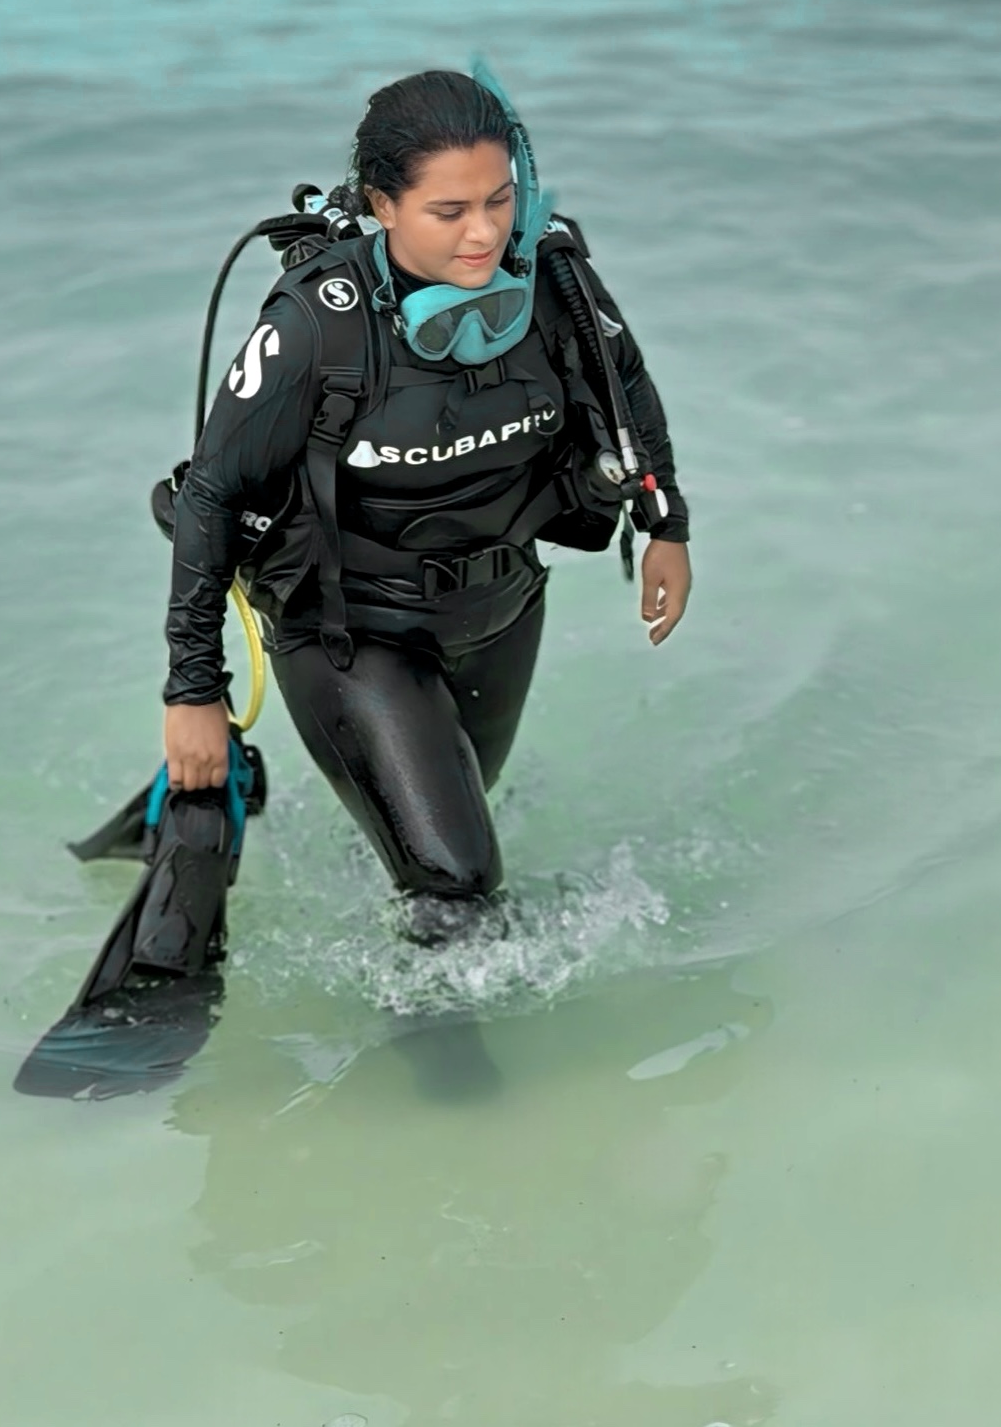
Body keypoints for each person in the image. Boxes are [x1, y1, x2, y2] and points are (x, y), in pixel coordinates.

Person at [161, 69, 691, 942]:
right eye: (450, 211)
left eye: (499, 200)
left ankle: (400, 924)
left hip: (504, 602)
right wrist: (192, 691)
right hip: (348, 627)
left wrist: (665, 522)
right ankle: (442, 1067)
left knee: (454, 822)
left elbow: (624, 384)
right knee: (458, 878)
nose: (484, 233)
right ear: (383, 204)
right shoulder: (316, 327)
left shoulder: (551, 278)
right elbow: (212, 492)